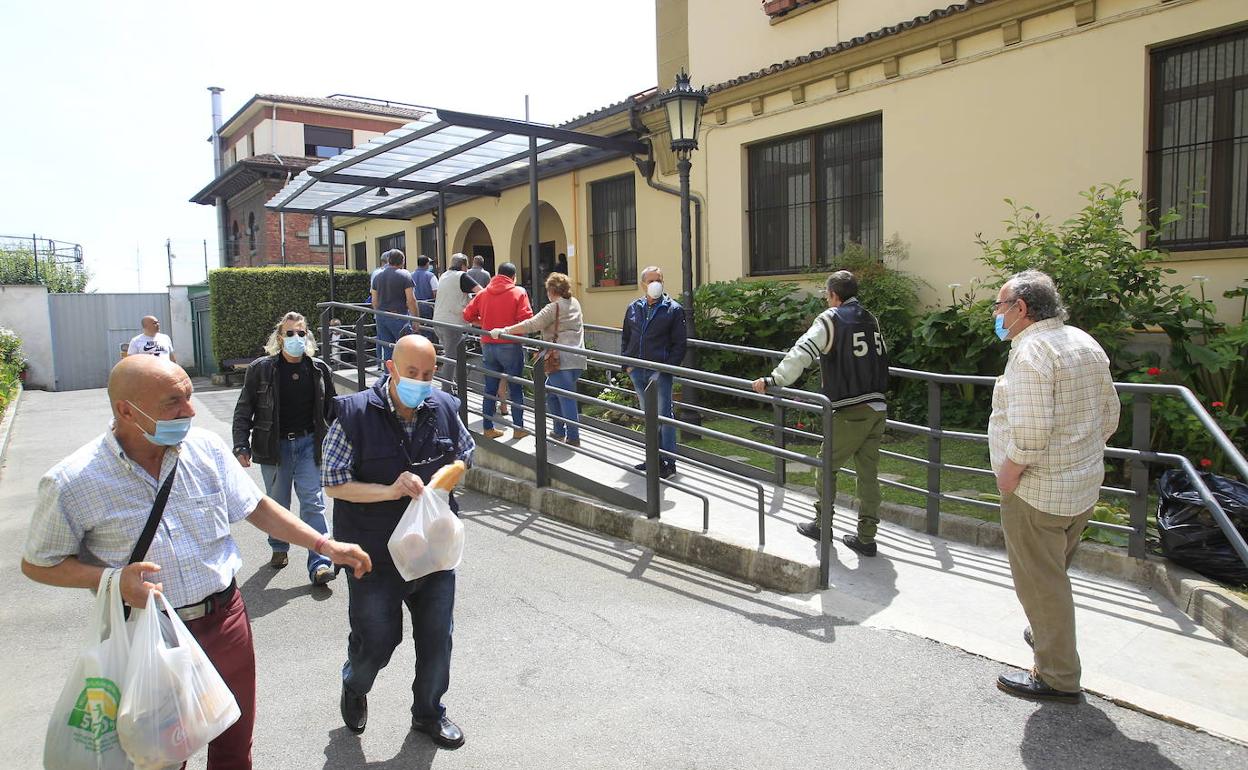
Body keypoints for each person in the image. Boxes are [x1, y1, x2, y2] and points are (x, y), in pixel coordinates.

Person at [21, 355, 371, 769]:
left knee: (234, 744)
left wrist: (323, 545)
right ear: (126, 411)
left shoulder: (204, 448)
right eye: (174, 401)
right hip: (149, 635)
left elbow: (255, 506)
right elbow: (38, 563)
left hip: (225, 620)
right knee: (161, 754)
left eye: (189, 396)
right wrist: (110, 578)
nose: (190, 410)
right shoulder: (73, 481)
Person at [322, 334, 474, 749]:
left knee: (437, 637)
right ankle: (355, 683)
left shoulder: (443, 407)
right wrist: (389, 490)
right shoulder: (354, 414)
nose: (421, 382)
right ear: (391, 367)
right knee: (377, 641)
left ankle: (429, 714)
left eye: (428, 374)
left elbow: (466, 453)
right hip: (374, 555)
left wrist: (444, 480)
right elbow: (334, 483)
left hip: (432, 552)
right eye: (412, 373)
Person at [988, 270, 1119, 704]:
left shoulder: (1030, 353)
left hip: (1036, 492)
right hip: (1080, 486)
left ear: (1020, 309)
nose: (997, 314)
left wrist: (1008, 477)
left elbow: (1029, 432)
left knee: (1043, 584)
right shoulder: (1083, 341)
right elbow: (1110, 416)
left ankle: (1057, 676)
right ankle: (1046, 633)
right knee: (1053, 575)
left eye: (999, 306)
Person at [751, 270, 889, 556]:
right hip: (877, 406)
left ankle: (822, 524)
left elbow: (803, 351)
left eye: (827, 296)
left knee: (826, 466)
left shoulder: (831, 319)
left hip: (850, 408)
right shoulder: (870, 319)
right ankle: (866, 537)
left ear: (834, 296)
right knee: (868, 474)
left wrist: (774, 379)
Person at [232, 312, 338, 582]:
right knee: (278, 504)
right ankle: (279, 546)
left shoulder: (319, 369)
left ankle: (320, 563)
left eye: (300, 333)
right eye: (289, 333)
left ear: (307, 336)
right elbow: (244, 409)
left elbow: (334, 409)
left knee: (313, 503)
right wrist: (241, 444)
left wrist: (345, 440)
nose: (295, 338)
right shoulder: (261, 369)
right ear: (279, 337)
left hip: (309, 444)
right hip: (274, 446)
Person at [491, 272, 586, 446]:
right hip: (577, 357)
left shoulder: (554, 307)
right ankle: (558, 431)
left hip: (560, 359)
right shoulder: (575, 303)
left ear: (551, 290)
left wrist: (505, 330)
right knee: (551, 391)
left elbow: (532, 324)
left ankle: (573, 437)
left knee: (565, 397)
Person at [620, 265, 686, 479]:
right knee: (648, 416)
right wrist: (626, 365)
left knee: (664, 416)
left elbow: (680, 345)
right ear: (643, 284)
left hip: (659, 373)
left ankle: (669, 462)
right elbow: (626, 337)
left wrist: (665, 369)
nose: (655, 283)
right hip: (637, 371)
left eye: (659, 279)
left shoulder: (673, 309)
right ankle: (653, 459)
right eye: (651, 280)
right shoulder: (633, 307)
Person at [463, 262, 533, 440]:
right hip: (510, 344)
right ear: (513, 277)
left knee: (490, 388)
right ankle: (518, 428)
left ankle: (488, 428)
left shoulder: (484, 293)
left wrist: (484, 323)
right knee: (516, 388)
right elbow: (527, 319)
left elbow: (467, 315)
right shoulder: (519, 292)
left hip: (488, 343)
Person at [432, 253, 482, 388]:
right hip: (452, 323)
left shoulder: (443, 276)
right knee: (451, 357)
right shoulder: (462, 276)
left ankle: (453, 384)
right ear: (463, 265)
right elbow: (481, 292)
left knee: (451, 354)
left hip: (438, 321)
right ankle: (446, 389)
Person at [371, 249, 420, 363]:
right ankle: (406, 377)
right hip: (399, 316)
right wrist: (416, 320)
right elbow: (411, 300)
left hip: (381, 316)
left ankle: (390, 377)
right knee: (406, 349)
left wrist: (380, 313)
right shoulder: (405, 275)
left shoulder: (377, 276)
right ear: (402, 261)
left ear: (388, 260)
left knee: (388, 351)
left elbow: (374, 300)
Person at [412, 255, 440, 341]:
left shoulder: (410, 275)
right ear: (427, 264)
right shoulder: (431, 276)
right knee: (430, 329)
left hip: (414, 307)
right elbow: (436, 292)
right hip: (428, 307)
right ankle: (432, 349)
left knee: (417, 330)